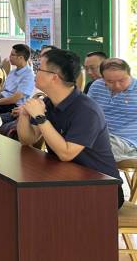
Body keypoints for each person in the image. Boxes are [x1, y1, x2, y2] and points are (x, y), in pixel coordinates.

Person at [17, 48, 123, 208]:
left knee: (35, 204)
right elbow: (27, 139)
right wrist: (25, 115)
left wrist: (40, 117)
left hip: (102, 187)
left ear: (54, 77)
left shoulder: (86, 110)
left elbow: (66, 153)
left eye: (39, 69)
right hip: (66, 176)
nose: (35, 73)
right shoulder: (48, 103)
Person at [87, 58, 137, 161]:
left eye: (122, 80)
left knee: (88, 151)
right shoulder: (97, 86)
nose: (117, 86)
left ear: (129, 74)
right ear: (102, 78)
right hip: (98, 135)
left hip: (126, 141)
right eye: (110, 81)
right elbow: (86, 112)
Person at [0, 44, 35, 121]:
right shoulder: (13, 72)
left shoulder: (29, 75)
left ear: (21, 58)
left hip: (13, 107)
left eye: (12, 55)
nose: (9, 57)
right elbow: (2, 90)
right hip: (2, 101)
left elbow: (14, 99)